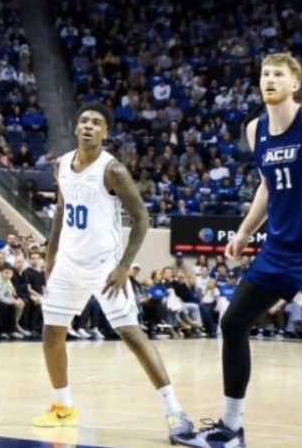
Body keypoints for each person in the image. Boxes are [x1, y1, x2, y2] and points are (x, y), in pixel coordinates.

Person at [32, 103, 195, 443]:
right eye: (84, 121)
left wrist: (123, 267)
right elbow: (61, 211)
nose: (89, 126)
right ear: (76, 128)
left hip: (105, 266)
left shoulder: (114, 170)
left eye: (96, 123)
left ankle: (175, 411)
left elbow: (142, 220)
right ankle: (64, 406)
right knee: (51, 334)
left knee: (132, 335)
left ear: (106, 133)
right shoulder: (62, 164)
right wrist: (50, 255)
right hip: (68, 265)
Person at [176, 54, 302, 448]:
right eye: (265, 73)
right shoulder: (256, 130)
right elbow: (267, 185)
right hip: (279, 251)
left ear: (295, 84)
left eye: (278, 74)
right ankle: (231, 430)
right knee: (232, 324)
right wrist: (245, 232)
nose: (269, 79)